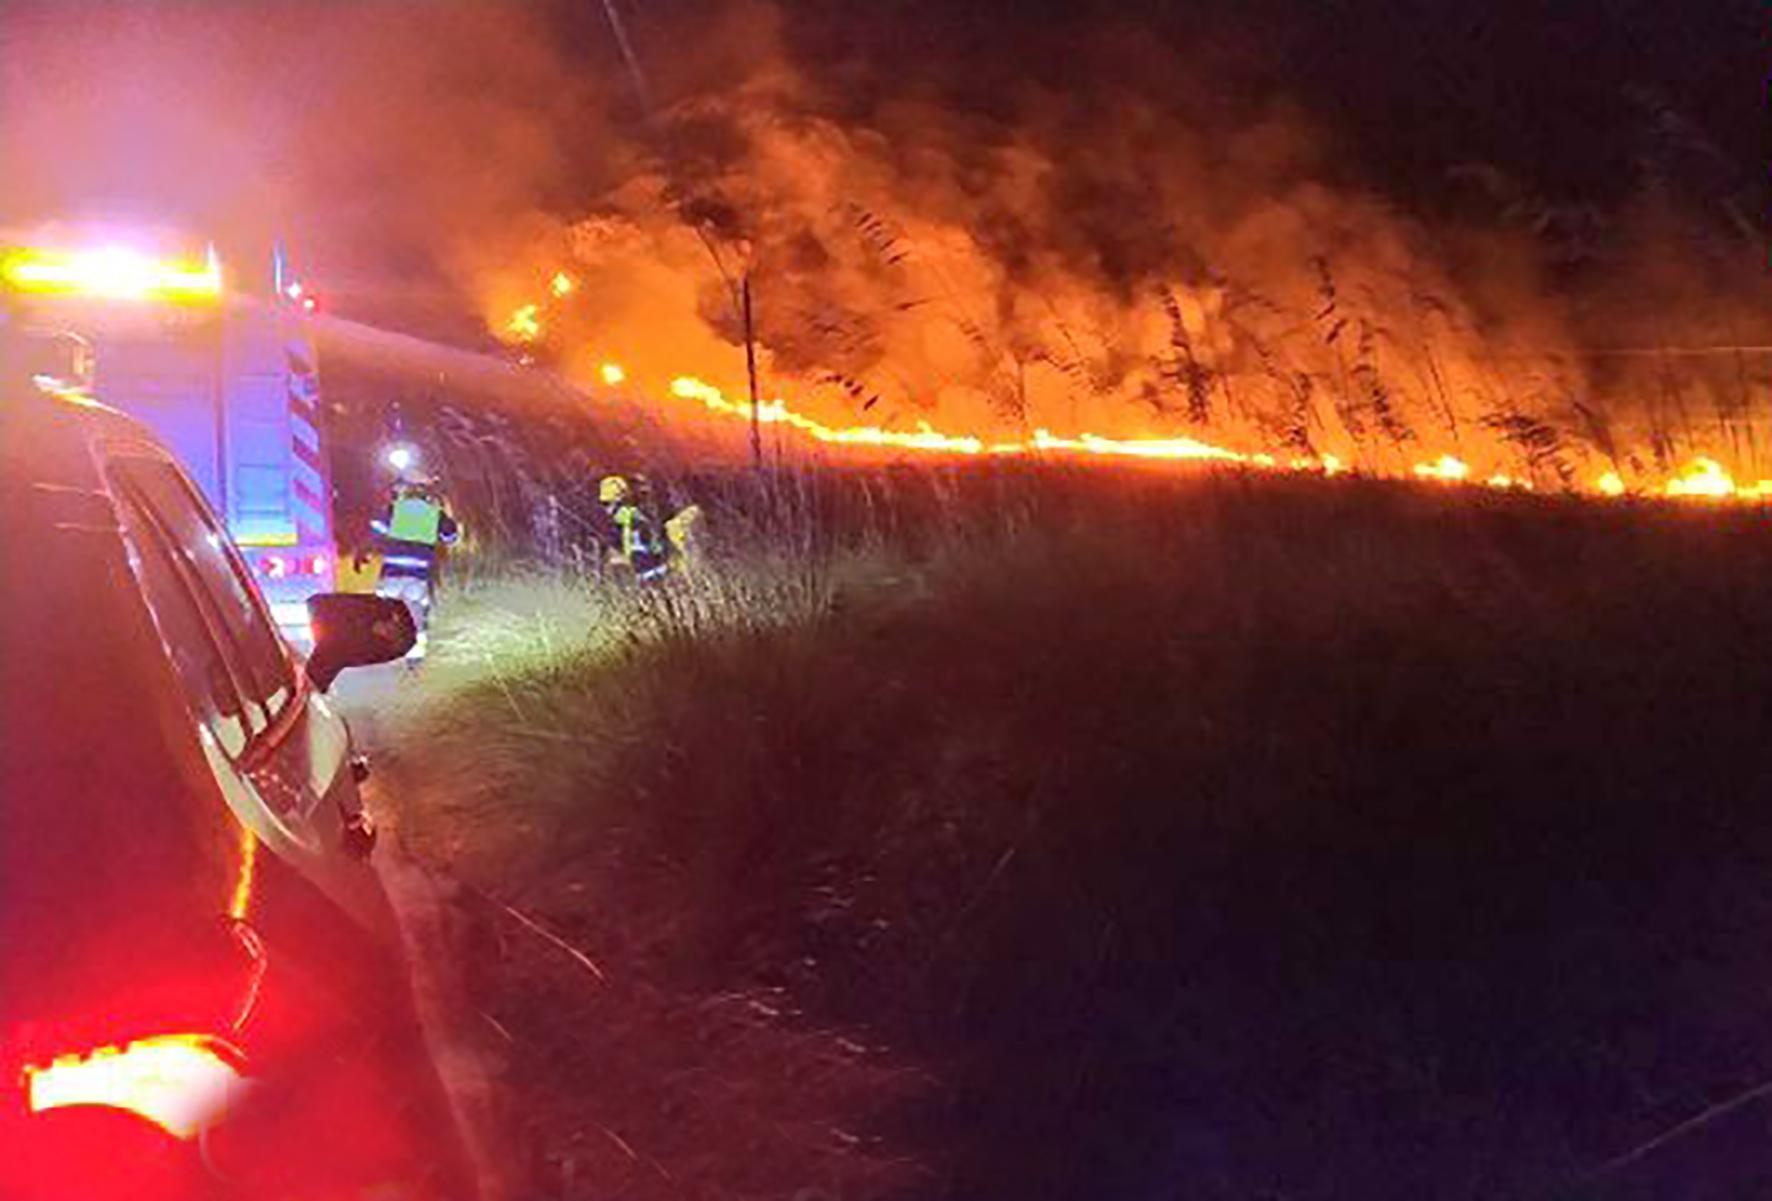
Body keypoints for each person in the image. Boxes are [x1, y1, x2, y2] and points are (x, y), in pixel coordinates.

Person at [371, 477, 459, 652]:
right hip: (418, 576)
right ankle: (414, 654)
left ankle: (383, 647)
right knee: (415, 613)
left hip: (391, 574)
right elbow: (451, 537)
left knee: (385, 610)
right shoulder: (434, 513)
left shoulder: (395, 510)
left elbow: (377, 530)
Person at [598, 474, 670, 583]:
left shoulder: (625, 516)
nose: (606, 509)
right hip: (656, 569)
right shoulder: (637, 514)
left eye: (607, 504)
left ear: (618, 501)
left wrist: (620, 560)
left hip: (646, 572)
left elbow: (631, 548)